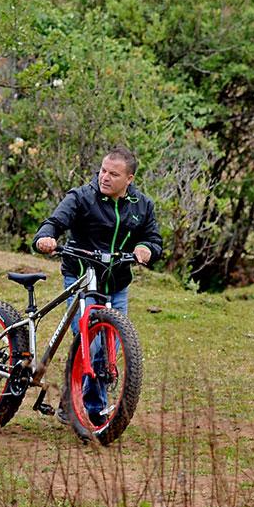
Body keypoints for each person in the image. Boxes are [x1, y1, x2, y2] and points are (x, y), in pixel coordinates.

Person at [34, 148, 160, 424]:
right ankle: (91, 408)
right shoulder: (81, 197)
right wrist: (46, 238)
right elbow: (54, 223)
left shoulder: (142, 205)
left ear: (129, 178)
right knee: (90, 345)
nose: (104, 177)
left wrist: (145, 248)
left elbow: (153, 238)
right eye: (103, 170)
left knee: (110, 347)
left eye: (113, 174)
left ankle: (76, 405)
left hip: (116, 284)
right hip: (82, 278)